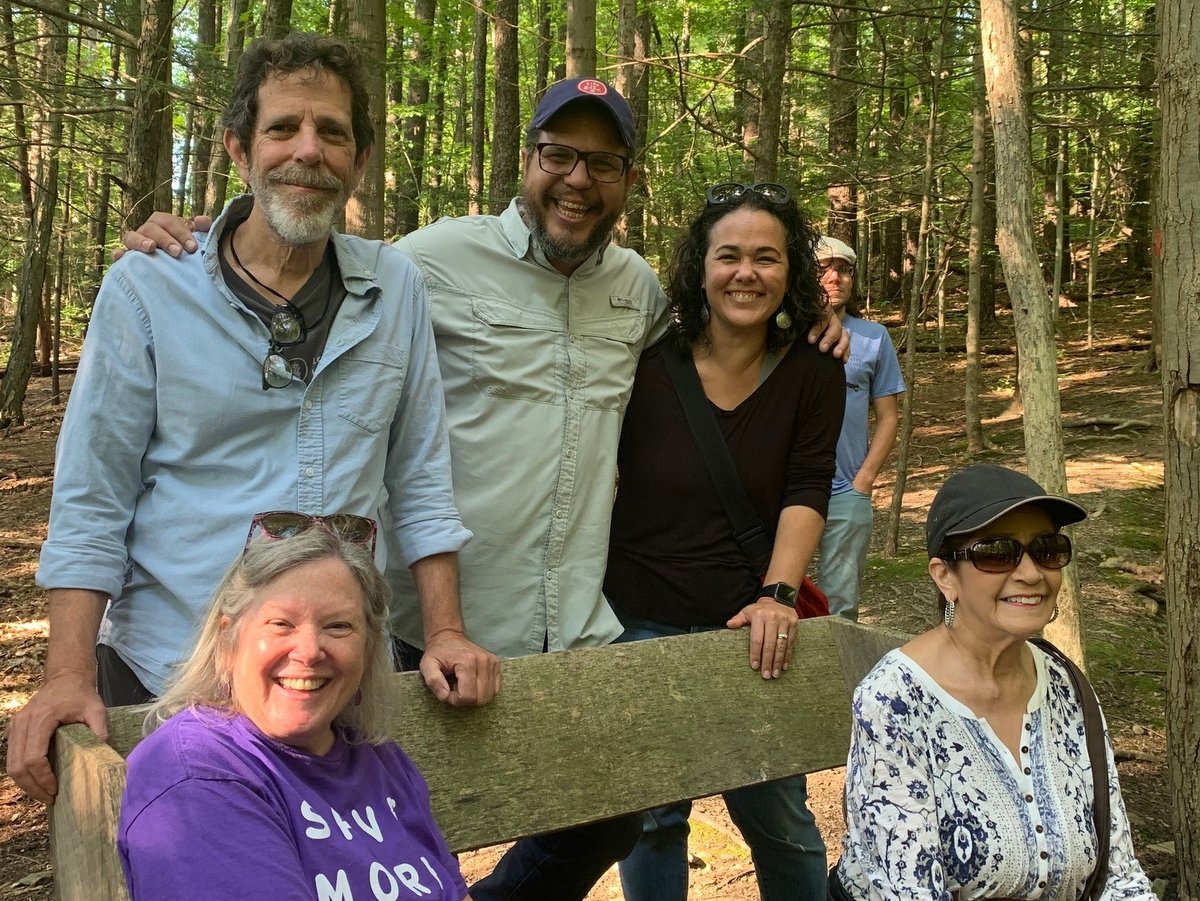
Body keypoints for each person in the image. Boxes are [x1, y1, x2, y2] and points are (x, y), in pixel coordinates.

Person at [114, 74, 849, 900]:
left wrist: (811, 318)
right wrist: (195, 238)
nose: (577, 180)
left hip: (577, 630)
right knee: (386, 831)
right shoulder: (425, 262)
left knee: (613, 815)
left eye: (603, 162)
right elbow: (306, 255)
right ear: (525, 158)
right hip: (441, 627)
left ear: (629, 180)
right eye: (558, 155)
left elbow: (723, 339)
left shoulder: (637, 291)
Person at [6, 33, 499, 808]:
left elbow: (421, 478)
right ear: (239, 148)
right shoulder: (148, 290)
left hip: (332, 683)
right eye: (283, 129)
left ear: (359, 160)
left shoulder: (394, 289)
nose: (308, 151)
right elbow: (92, 497)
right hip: (167, 674)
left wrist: (443, 630)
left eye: (333, 133)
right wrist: (65, 675)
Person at [604, 183, 845, 900]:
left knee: (781, 823)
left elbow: (808, 486)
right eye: (729, 255)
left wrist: (778, 593)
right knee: (650, 820)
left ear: (791, 271)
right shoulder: (645, 359)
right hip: (638, 616)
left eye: (767, 258)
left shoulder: (816, 368)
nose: (746, 273)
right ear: (700, 267)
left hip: (752, 626)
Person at [832, 463, 1157, 900]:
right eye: (997, 552)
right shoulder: (893, 701)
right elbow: (909, 892)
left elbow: (1120, 875)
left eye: (1047, 548)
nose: (1030, 573)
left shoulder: (1066, 685)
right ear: (945, 576)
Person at [120, 516, 471, 901]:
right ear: (227, 641)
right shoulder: (197, 774)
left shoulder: (380, 759)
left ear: (368, 652)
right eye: (281, 624)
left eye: (338, 626)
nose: (308, 651)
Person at [814, 236, 904, 620]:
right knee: (772, 593)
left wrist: (864, 480)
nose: (835, 277)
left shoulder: (874, 337)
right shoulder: (779, 334)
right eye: (823, 268)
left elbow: (888, 416)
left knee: (841, 603)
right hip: (781, 488)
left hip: (846, 489)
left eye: (845, 269)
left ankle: (835, 678)